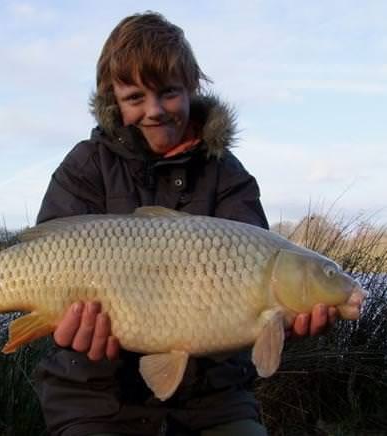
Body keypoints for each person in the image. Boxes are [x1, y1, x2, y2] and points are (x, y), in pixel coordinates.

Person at [33, 12, 342, 436]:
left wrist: (295, 321)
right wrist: (70, 333)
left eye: (169, 93)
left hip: (213, 399)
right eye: (135, 97)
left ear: (192, 87)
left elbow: (262, 322)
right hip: (94, 394)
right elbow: (49, 248)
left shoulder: (228, 175)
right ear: (113, 100)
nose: (154, 110)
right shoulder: (86, 165)